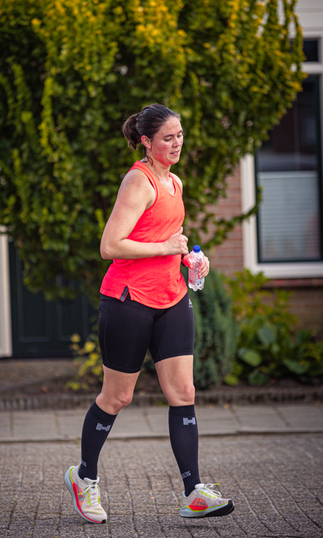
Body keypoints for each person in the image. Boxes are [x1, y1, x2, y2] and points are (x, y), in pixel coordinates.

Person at [64, 103, 234, 524]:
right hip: (128, 301)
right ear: (146, 141)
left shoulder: (174, 181)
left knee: (184, 394)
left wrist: (192, 258)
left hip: (172, 298)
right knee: (117, 397)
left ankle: (194, 491)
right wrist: (165, 249)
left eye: (179, 136)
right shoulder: (137, 182)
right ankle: (84, 478)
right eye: (167, 138)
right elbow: (111, 245)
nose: (176, 144)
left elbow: (167, 237)